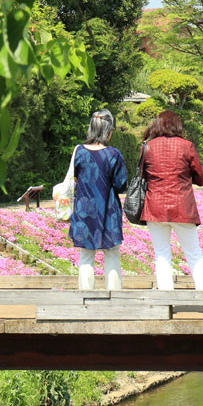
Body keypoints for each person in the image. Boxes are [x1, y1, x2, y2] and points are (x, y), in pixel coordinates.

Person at [140, 110, 203, 291]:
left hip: (155, 208)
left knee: (162, 255)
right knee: (194, 254)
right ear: (177, 125)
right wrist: (186, 177)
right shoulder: (186, 146)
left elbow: (142, 175)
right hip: (182, 208)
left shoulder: (147, 147)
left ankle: (166, 300)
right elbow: (202, 179)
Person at [68, 110, 127, 291]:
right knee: (112, 252)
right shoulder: (113, 154)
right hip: (108, 209)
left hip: (84, 209)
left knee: (86, 254)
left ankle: (85, 297)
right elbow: (121, 185)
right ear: (108, 130)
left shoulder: (79, 151)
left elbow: (74, 178)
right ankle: (114, 296)